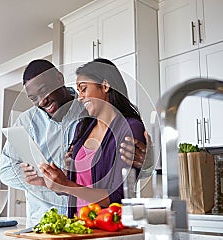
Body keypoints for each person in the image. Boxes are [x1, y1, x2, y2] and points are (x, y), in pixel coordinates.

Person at [0, 59, 152, 226]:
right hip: (57, 223)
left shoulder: (107, 120)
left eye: (84, 89)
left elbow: (121, 189)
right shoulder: (84, 126)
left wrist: (147, 164)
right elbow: (81, 180)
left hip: (102, 224)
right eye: (33, 98)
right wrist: (46, 180)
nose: (41, 101)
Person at [37, 58, 147, 217]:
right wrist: (59, 180)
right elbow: (80, 186)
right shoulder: (82, 128)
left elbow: (118, 197)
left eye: (83, 89)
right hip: (78, 224)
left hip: (107, 227)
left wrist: (66, 185)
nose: (80, 97)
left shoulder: (129, 128)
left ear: (105, 86)